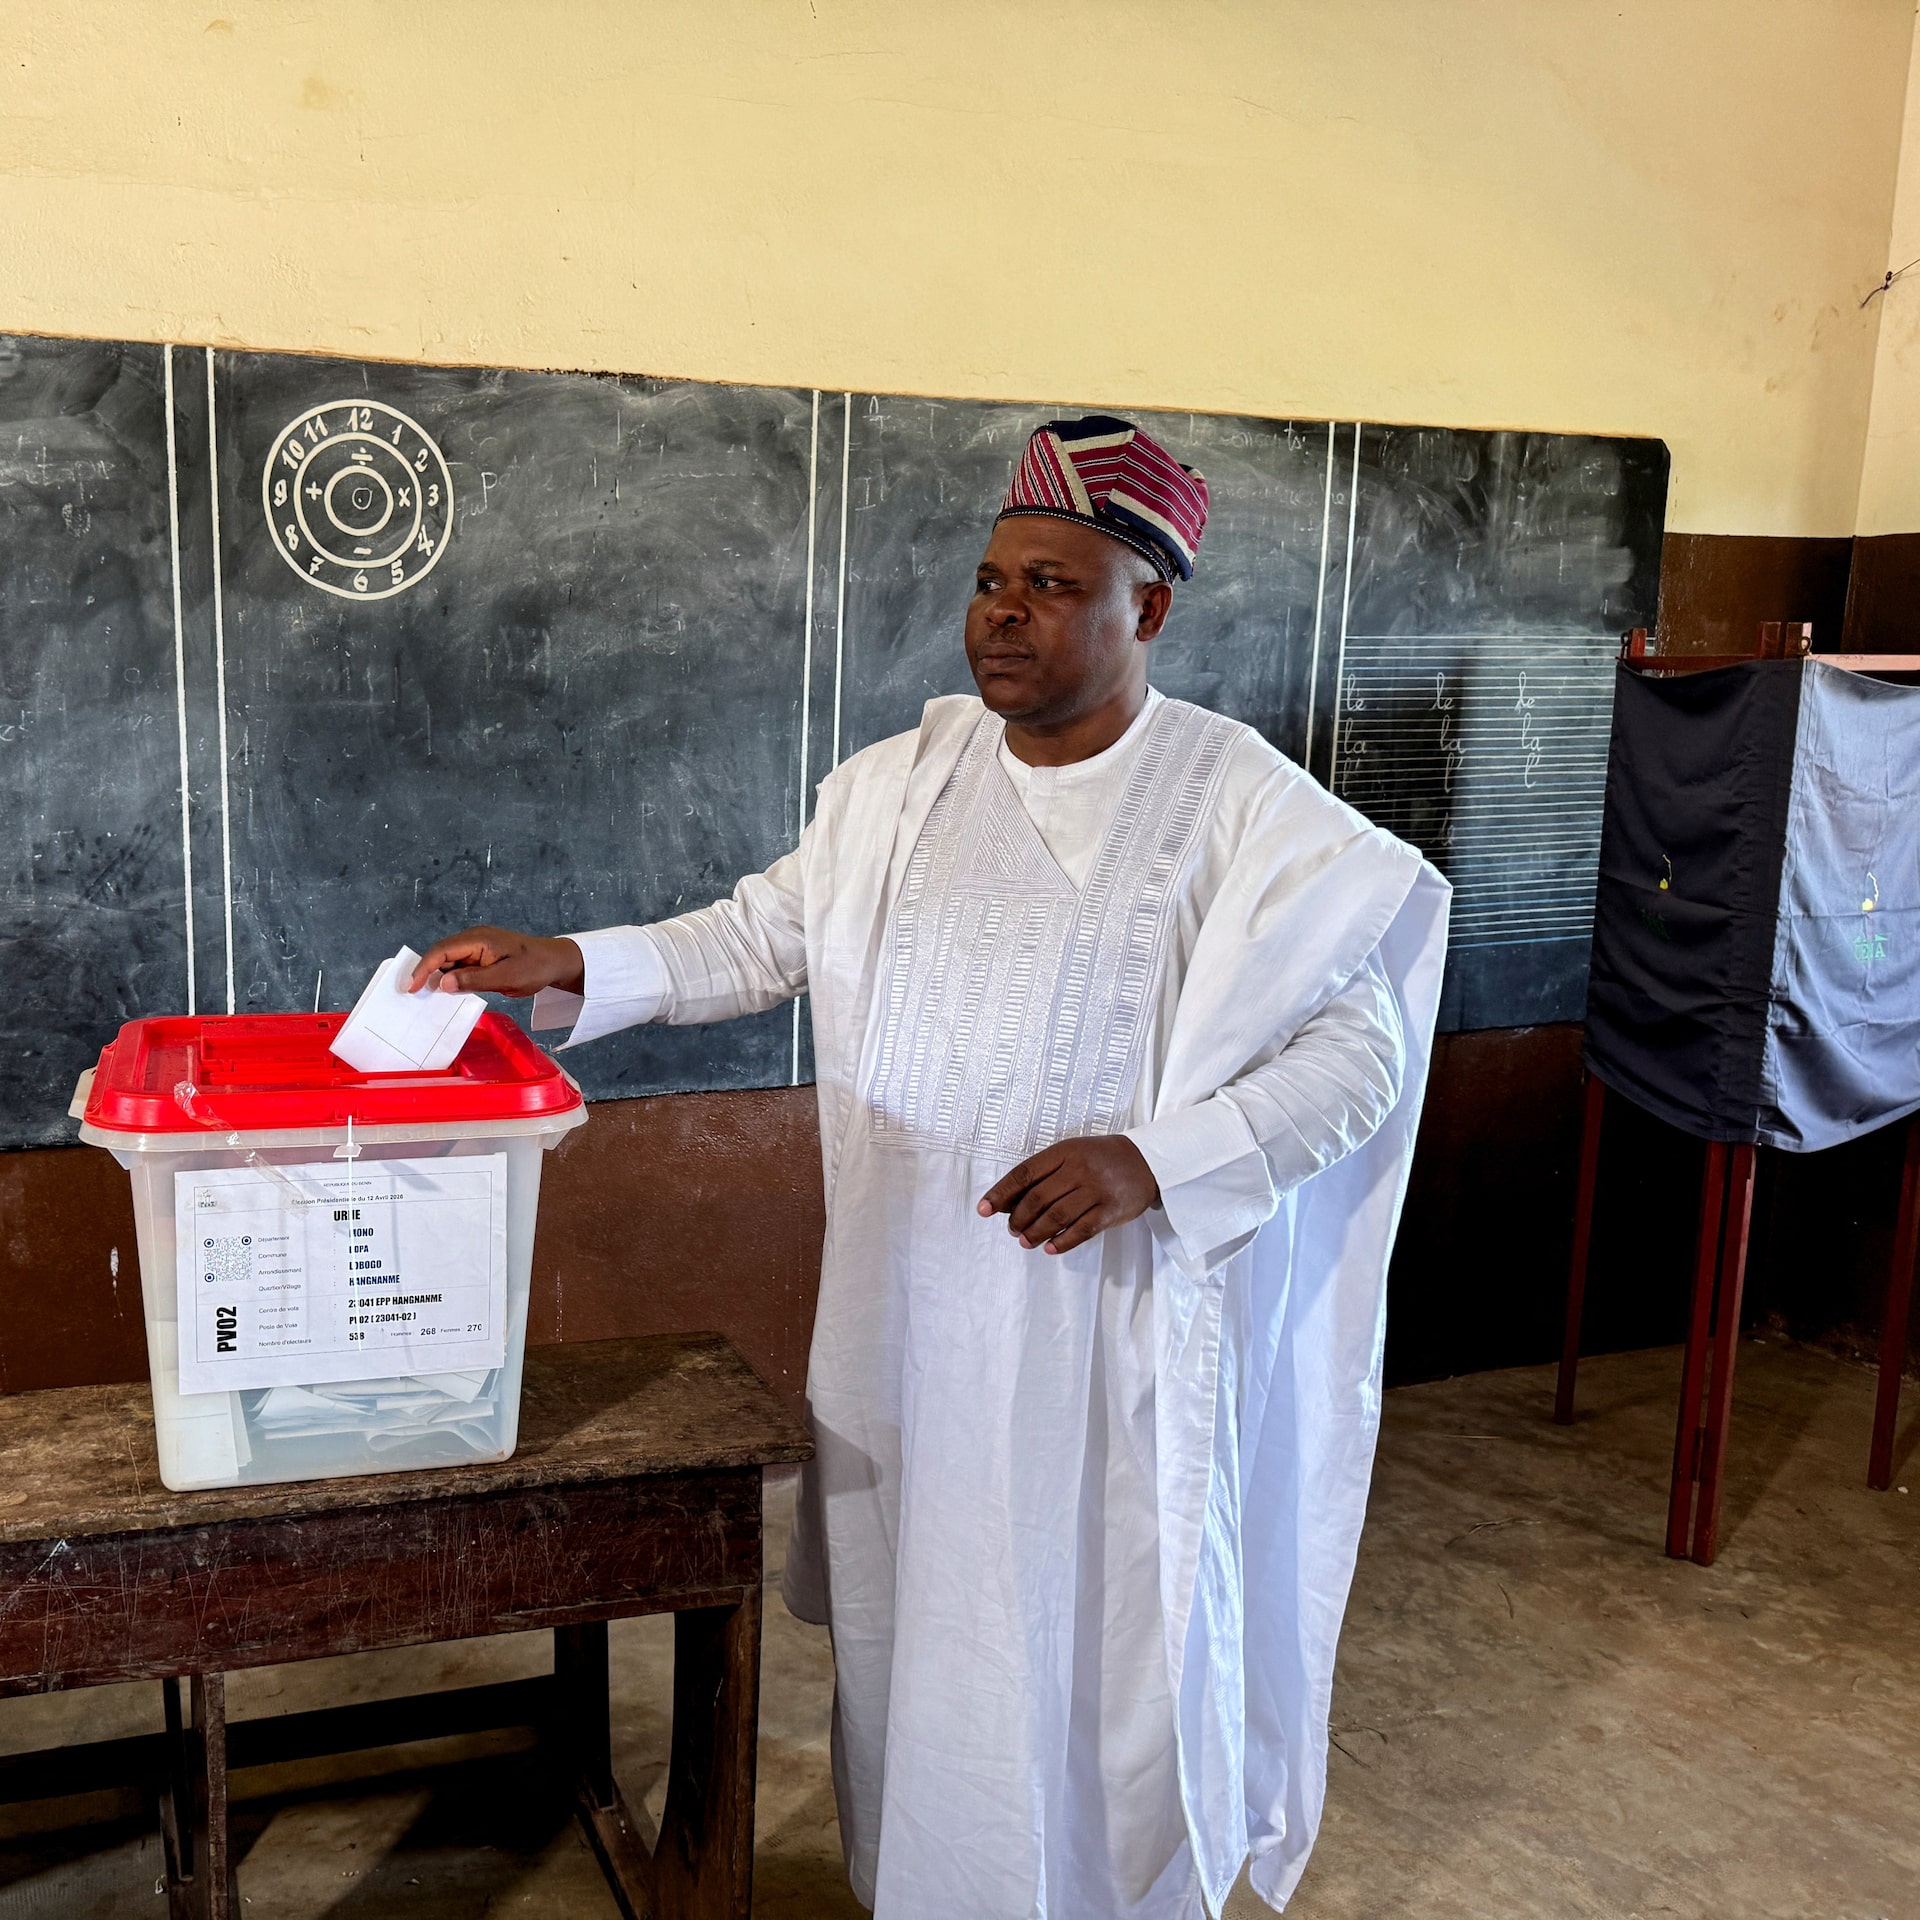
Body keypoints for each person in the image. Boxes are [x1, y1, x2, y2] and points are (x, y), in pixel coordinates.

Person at [411, 414, 1450, 1918]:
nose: (1003, 614)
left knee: (1094, 1646)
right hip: (909, 1313)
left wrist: (1157, 1162)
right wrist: (569, 959)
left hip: (1102, 1334)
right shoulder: (900, 784)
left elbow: (1360, 1059)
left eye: (1050, 585)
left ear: (1148, 608)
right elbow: (761, 933)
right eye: (989, 581)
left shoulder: (1243, 807)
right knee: (920, 1647)